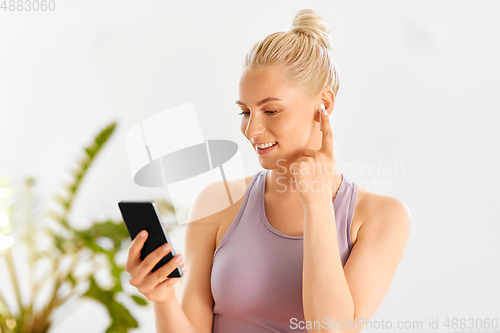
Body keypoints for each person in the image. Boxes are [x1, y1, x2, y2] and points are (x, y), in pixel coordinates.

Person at [125, 9, 411, 333]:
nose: (251, 129)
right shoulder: (216, 201)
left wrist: (316, 203)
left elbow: (331, 329)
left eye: (271, 110)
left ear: (324, 105)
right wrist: (162, 299)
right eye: (245, 112)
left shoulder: (382, 217)